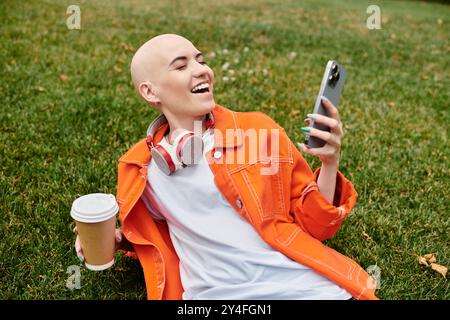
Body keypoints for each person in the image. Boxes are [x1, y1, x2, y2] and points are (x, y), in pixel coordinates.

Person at [75, 34, 378, 300]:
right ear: (150, 92)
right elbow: (159, 230)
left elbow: (316, 226)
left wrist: (329, 162)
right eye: (181, 66)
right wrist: (115, 238)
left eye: (200, 60)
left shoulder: (259, 132)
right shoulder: (141, 168)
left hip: (302, 289)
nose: (202, 70)